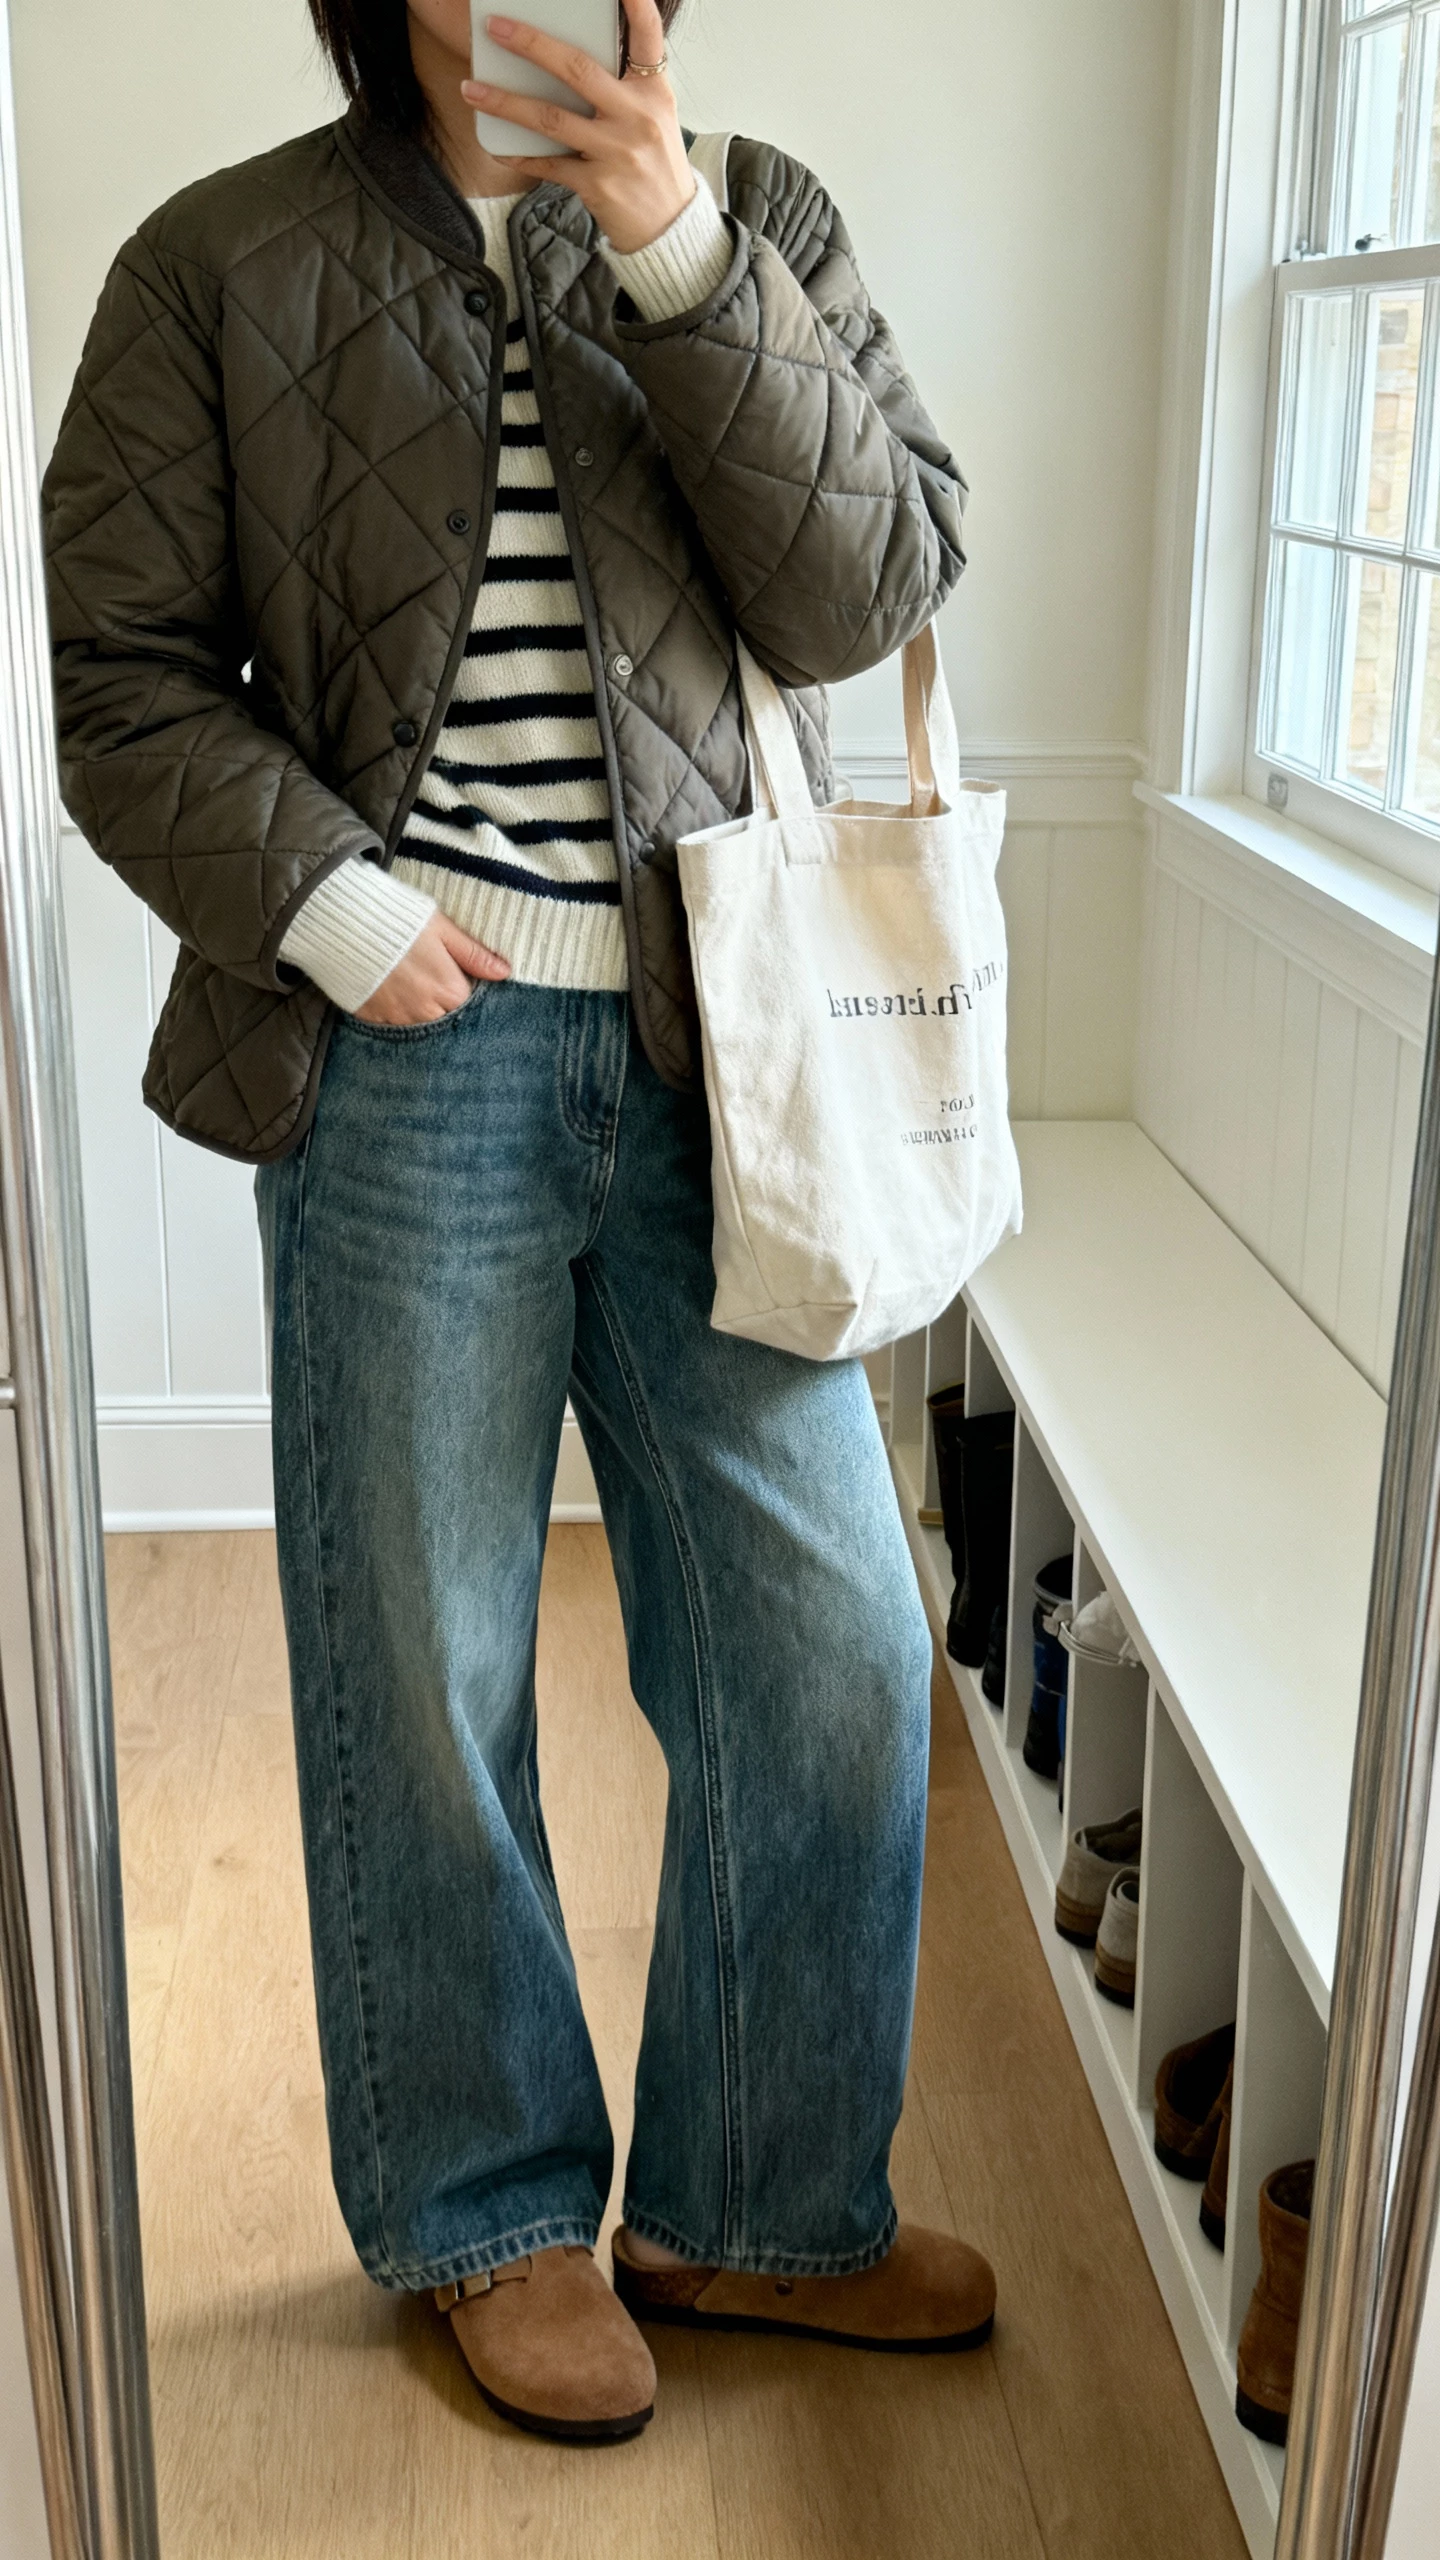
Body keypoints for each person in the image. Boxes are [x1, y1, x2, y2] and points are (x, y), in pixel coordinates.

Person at [44, 0, 997, 2445]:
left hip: (729, 1059)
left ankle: (755, 2205)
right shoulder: (216, 259)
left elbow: (868, 580)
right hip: (400, 1056)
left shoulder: (752, 216)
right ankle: (481, 2206)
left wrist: (679, 252)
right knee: (426, 1661)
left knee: (836, 1646)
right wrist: (336, 909)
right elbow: (123, 681)